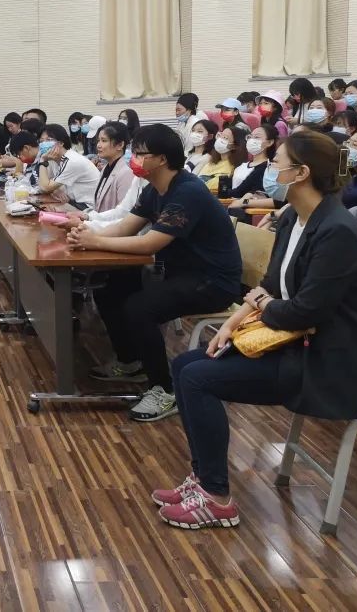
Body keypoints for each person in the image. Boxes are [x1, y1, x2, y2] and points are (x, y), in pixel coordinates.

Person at [158, 131, 357, 530]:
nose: (271, 168)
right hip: (296, 340)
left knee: (196, 379)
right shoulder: (294, 217)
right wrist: (232, 323)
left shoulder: (337, 231)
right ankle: (203, 477)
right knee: (184, 366)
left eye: (277, 161)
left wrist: (265, 306)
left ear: (301, 173)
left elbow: (302, 311)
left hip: (328, 361)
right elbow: (272, 285)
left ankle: (217, 497)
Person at [68, 124, 241, 419]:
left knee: (140, 308)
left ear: (161, 159)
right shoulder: (154, 189)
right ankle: (130, 362)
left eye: (140, 154)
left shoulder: (187, 192)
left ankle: (165, 390)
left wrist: (96, 241)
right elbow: (126, 227)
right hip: (179, 274)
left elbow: (151, 242)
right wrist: (88, 235)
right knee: (110, 288)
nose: (134, 159)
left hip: (212, 282)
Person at [36, 124, 102, 208]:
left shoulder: (72, 161)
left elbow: (45, 187)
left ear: (61, 143)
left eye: (49, 140)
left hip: (89, 207)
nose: (44, 144)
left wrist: (42, 161)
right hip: (72, 202)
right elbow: (42, 184)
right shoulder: (51, 158)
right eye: (41, 141)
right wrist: (55, 190)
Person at [229, 124, 278, 204]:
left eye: (257, 137)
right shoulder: (242, 166)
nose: (252, 140)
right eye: (250, 137)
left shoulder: (267, 167)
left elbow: (240, 192)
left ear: (269, 142)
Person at [200, 125, 247, 193]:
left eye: (225, 138)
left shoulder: (233, 169)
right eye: (220, 136)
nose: (220, 140)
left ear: (235, 146)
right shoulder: (211, 162)